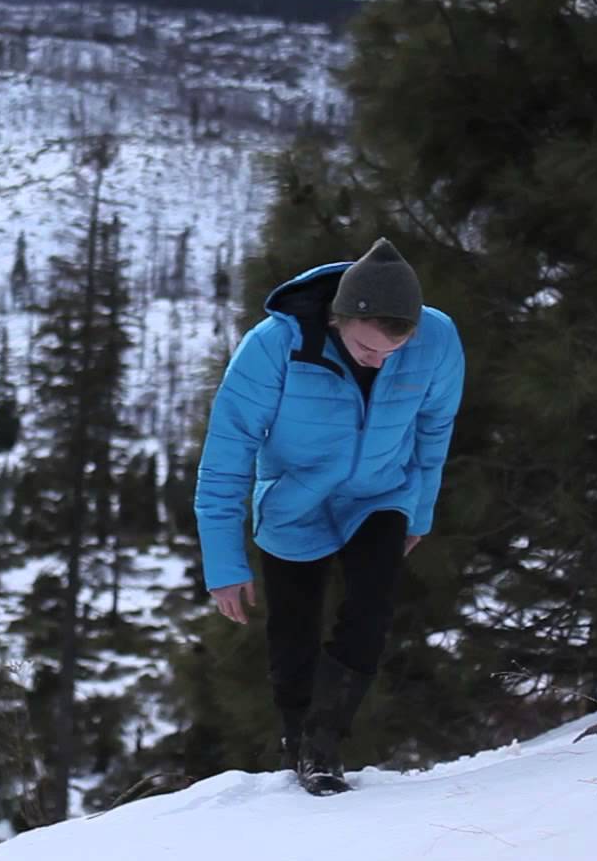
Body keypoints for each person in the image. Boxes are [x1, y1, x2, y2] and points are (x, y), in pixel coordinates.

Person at [193, 237, 465, 794]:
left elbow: (435, 431)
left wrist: (419, 513)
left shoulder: (437, 339)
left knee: (372, 608)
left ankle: (325, 742)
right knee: (293, 633)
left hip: (381, 493)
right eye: (368, 349)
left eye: (394, 352)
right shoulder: (272, 346)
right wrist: (224, 564)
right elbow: (225, 459)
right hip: (294, 500)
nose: (379, 360)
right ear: (339, 320)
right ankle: (297, 741)